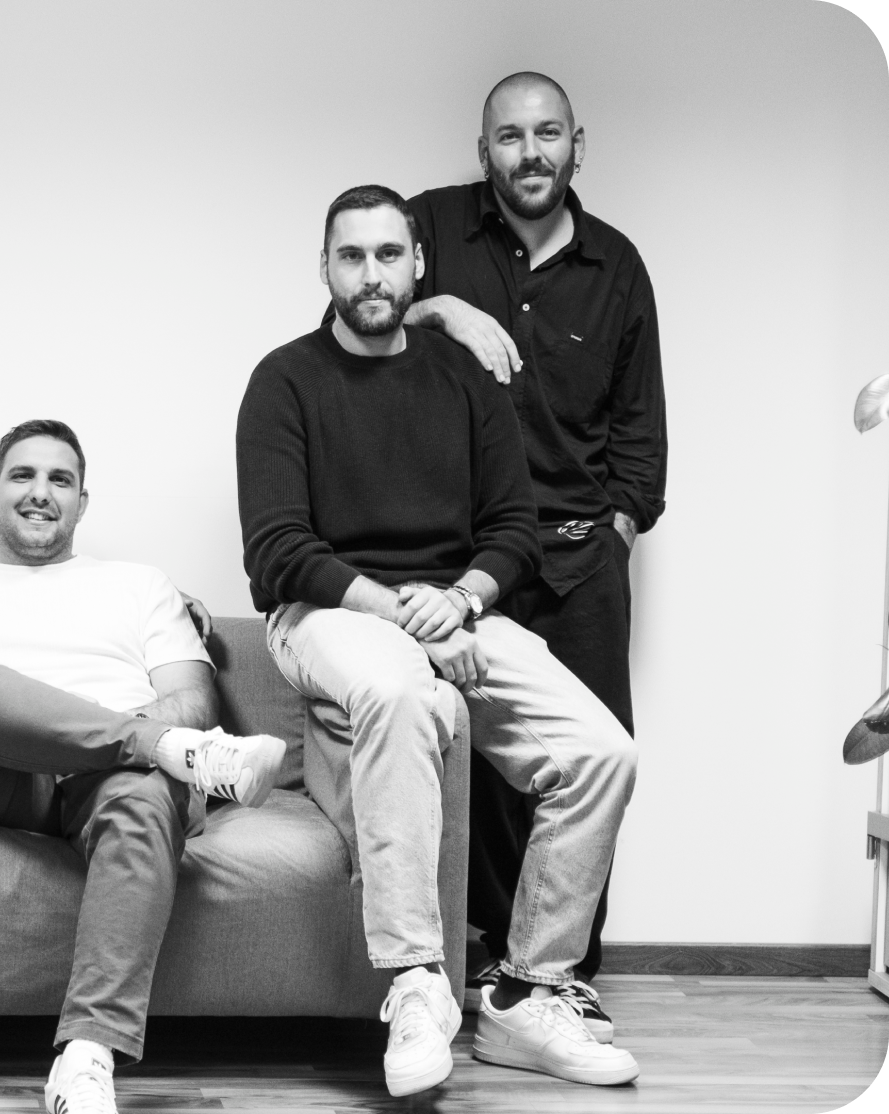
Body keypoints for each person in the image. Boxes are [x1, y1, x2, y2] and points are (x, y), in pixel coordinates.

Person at [237, 184, 639, 1095]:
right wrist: (407, 618)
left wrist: (456, 602)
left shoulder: (465, 378)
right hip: (326, 615)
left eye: (388, 254)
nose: (371, 274)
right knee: (401, 692)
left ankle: (528, 991)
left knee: (601, 753)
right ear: (325, 269)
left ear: (418, 264)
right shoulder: (284, 380)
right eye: (351, 256)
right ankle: (418, 982)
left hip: (453, 611)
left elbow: (514, 532)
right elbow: (278, 551)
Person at [0, 420, 287, 1114]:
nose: (40, 492)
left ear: (82, 501)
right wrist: (145, 736)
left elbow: (194, 700)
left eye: (61, 479)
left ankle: (86, 1058)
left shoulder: (139, 585)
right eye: (22, 475)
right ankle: (168, 751)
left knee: (145, 794)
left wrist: (115, 747)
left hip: (114, 784)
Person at [398, 73, 667, 1034]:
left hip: (581, 560)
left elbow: (640, 434)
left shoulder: (617, 265)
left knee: (590, 761)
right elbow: (360, 315)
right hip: (465, 559)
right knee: (474, 766)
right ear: (485, 152)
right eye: (509, 136)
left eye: (548, 133)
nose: (530, 152)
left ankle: (561, 974)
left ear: (577, 145)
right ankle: (483, 955)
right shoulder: (431, 227)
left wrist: (618, 532)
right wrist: (439, 309)